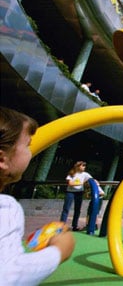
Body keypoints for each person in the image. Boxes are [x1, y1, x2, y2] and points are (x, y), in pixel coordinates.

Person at [0, 107, 75, 284]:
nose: (30, 152)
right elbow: (10, 274)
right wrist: (59, 251)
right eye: (27, 145)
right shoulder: (6, 207)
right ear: (2, 159)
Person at [60, 161, 93, 231]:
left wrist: (95, 182)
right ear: (78, 166)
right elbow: (70, 183)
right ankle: (62, 226)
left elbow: (91, 179)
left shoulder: (85, 174)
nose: (84, 167)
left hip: (79, 193)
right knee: (66, 209)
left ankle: (74, 226)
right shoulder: (72, 173)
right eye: (82, 165)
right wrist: (81, 183)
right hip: (70, 192)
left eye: (84, 166)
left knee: (77, 210)